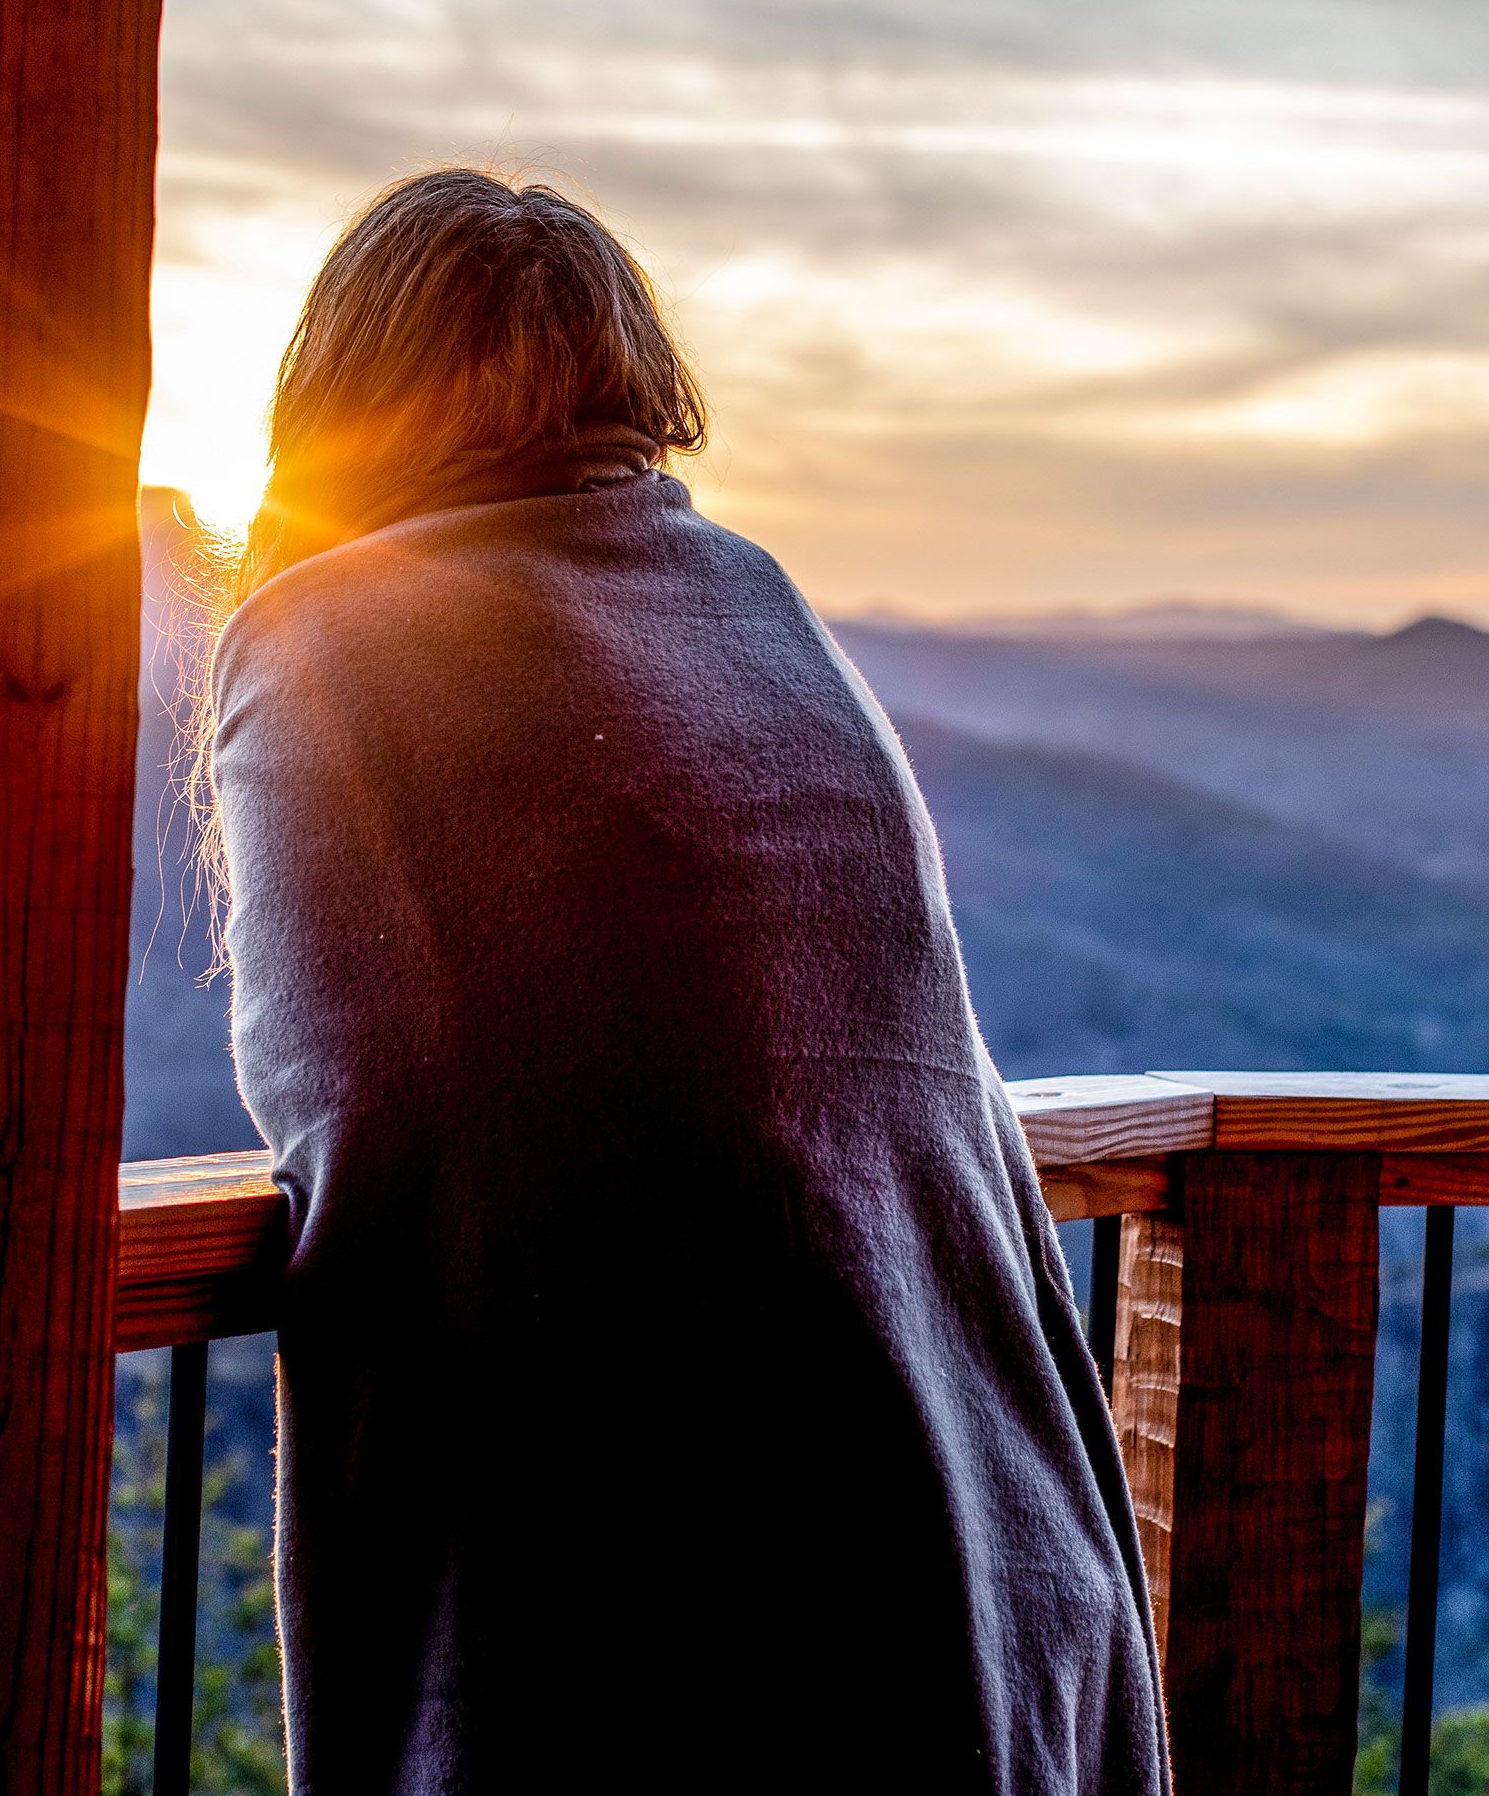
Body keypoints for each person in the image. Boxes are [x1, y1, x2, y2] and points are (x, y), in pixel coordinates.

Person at [203, 167, 1167, 1793]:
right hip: (997, 1583)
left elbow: (340, 1104)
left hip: (654, 1636)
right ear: (634, 382)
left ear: (340, 399)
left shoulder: (322, 650)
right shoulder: (762, 604)